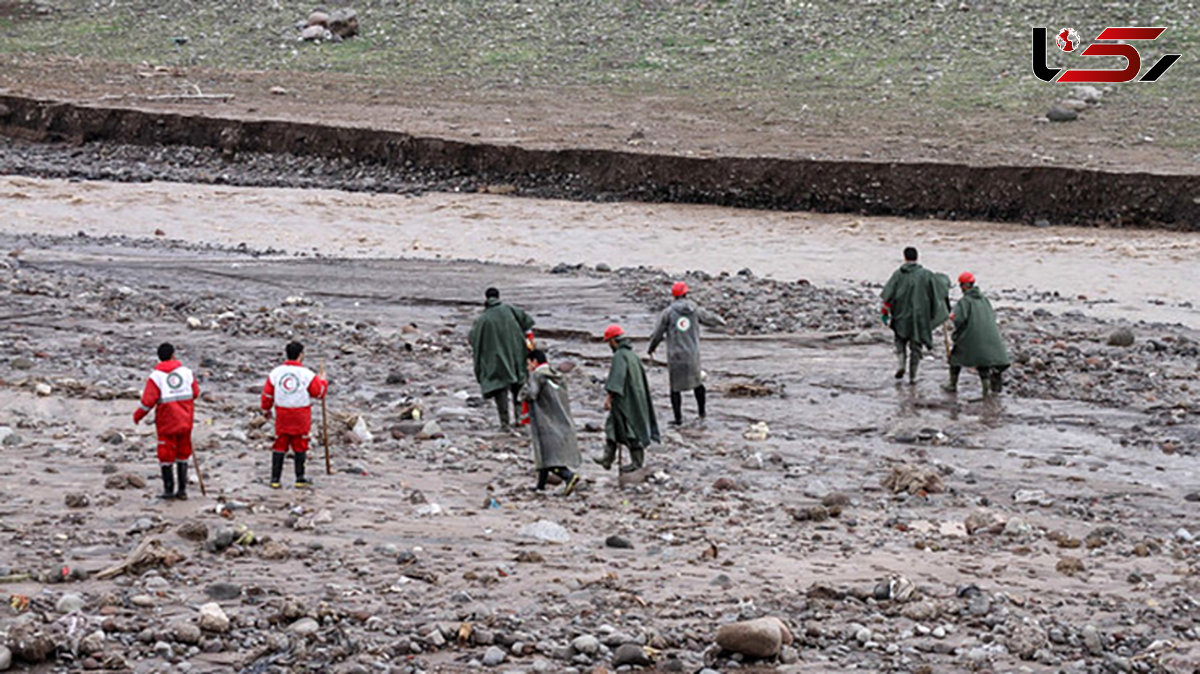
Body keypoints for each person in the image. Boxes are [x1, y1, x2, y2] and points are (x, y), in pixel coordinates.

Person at [648, 281, 726, 425]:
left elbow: (658, 333)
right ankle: (702, 413)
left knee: (675, 388)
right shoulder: (694, 309)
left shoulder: (668, 313)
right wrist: (723, 322)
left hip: (675, 356)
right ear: (686, 293)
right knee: (697, 384)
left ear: (674, 296)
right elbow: (710, 318)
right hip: (693, 355)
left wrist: (651, 348)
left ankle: (678, 419)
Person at [134, 343, 200, 500]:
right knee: (183, 453)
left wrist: (138, 416)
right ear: (173, 355)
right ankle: (182, 490)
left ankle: (169, 491)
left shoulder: (156, 377)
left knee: (166, 455)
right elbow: (195, 393)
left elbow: (147, 401)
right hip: (185, 420)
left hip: (166, 423)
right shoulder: (187, 373)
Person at [261, 341, 328, 488]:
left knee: (280, 443)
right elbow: (319, 393)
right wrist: (323, 380)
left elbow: (267, 394)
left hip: (282, 413)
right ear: (301, 355)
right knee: (300, 444)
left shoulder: (276, 372)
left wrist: (266, 409)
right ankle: (299, 478)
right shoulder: (307, 374)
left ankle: (275, 480)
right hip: (300, 414)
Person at [594, 324, 660, 473]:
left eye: (609, 342)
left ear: (613, 341)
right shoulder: (632, 356)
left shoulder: (619, 356)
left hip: (625, 400)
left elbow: (617, 379)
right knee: (614, 426)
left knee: (629, 429)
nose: (609, 345)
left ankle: (635, 463)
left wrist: (609, 398)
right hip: (636, 398)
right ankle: (608, 458)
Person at [469, 287, 535, 430]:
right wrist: (529, 345)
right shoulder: (510, 310)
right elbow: (528, 324)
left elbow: (473, 339)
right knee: (518, 386)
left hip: (496, 359)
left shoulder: (483, 319)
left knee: (501, 390)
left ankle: (504, 424)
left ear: (486, 298)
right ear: (499, 297)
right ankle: (520, 420)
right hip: (516, 355)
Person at [881, 247, 949, 384]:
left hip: (901, 315)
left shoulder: (898, 274)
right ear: (917, 257)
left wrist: (885, 313)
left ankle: (901, 364)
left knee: (900, 340)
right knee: (916, 347)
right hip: (920, 318)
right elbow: (938, 290)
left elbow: (887, 296)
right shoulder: (927, 274)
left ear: (904, 257)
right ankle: (913, 376)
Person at [520, 349, 581, 494]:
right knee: (546, 454)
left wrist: (522, 391)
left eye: (528, 364)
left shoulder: (537, 375)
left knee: (548, 456)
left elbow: (531, 394)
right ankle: (540, 486)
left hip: (545, 421)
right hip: (560, 420)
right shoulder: (556, 376)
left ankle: (568, 476)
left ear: (535, 362)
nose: (528, 367)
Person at [944, 272, 1011, 395]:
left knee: (955, 358)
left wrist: (953, 318)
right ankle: (986, 390)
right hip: (989, 338)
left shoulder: (964, 301)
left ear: (964, 286)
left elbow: (960, 320)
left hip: (972, 337)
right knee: (983, 362)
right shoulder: (984, 300)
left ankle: (952, 384)